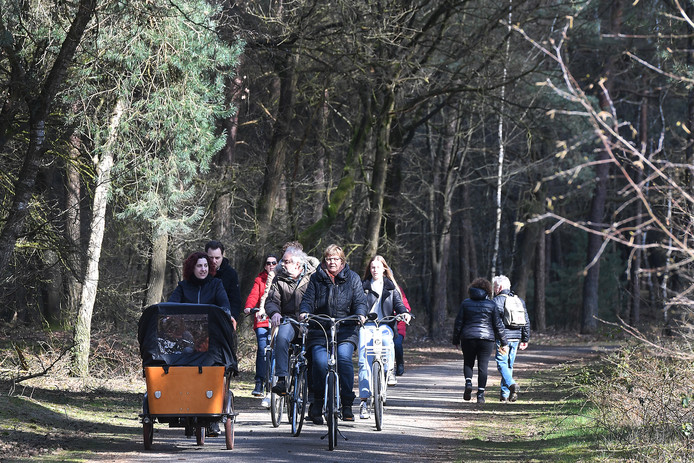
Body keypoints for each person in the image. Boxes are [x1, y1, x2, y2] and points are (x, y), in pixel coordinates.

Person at [299, 244, 368, 424]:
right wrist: (304, 312)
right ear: (324, 261)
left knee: (344, 359)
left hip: (346, 329)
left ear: (342, 261)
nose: (332, 262)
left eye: (336, 259)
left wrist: (360, 314)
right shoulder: (316, 278)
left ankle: (347, 404)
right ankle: (318, 401)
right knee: (320, 362)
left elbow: (360, 301)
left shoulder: (353, 278)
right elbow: (308, 300)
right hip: (320, 329)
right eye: (329, 259)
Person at [167, 251, 232, 437]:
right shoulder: (183, 287)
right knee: (179, 363)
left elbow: (225, 307)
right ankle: (179, 406)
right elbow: (171, 306)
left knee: (212, 369)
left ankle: (212, 417)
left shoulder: (216, 284)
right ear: (192, 268)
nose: (203, 269)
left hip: (211, 339)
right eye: (199, 266)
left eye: (205, 266)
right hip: (187, 338)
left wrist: (223, 314)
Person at [358, 255, 411, 419]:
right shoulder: (363, 286)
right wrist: (359, 315)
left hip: (385, 324)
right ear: (370, 269)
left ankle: (390, 371)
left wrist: (404, 313)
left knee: (388, 342)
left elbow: (399, 304)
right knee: (364, 362)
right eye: (372, 267)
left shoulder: (391, 287)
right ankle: (364, 402)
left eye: (378, 267)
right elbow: (358, 304)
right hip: (367, 325)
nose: (375, 270)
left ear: (384, 269)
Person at [265, 247, 317, 396]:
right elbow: (272, 300)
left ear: (297, 264)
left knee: (316, 352)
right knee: (281, 337)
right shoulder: (279, 278)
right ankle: (282, 379)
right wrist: (275, 313)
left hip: (311, 321)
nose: (282, 264)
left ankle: (314, 396)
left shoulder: (313, 277)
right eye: (283, 261)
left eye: (286, 261)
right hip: (290, 320)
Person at [451, 277, 509, 404]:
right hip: (486, 339)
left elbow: (459, 323)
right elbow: (498, 325)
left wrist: (455, 339)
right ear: (488, 290)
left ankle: (468, 383)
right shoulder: (491, 305)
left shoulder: (465, 303)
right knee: (483, 366)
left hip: (468, 338)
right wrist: (504, 342)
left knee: (468, 362)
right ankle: (481, 395)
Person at [243, 253, 278, 405]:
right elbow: (253, 295)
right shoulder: (260, 280)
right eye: (268, 263)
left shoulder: (281, 279)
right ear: (265, 266)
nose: (271, 265)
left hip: (276, 320)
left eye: (274, 263)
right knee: (263, 350)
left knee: (278, 349)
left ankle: (276, 381)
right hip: (263, 320)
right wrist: (249, 307)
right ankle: (259, 382)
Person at [492, 275, 530, 402]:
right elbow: (526, 321)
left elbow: (495, 323)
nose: (494, 289)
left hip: (503, 339)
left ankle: (511, 384)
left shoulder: (496, 301)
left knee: (501, 363)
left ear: (500, 287)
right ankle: (505, 395)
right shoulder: (519, 300)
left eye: (495, 287)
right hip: (516, 338)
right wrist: (525, 338)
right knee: (509, 365)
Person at [205, 240, 243, 330]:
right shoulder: (200, 272)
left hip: (223, 319)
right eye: (211, 258)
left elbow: (235, 300)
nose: (214, 261)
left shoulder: (230, 274)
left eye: (217, 258)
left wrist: (232, 317)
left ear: (222, 256)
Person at [394, 287, 412, 376]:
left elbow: (405, 306)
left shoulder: (397, 289)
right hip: (383, 323)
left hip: (398, 325)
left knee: (397, 344)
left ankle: (399, 363)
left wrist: (405, 312)